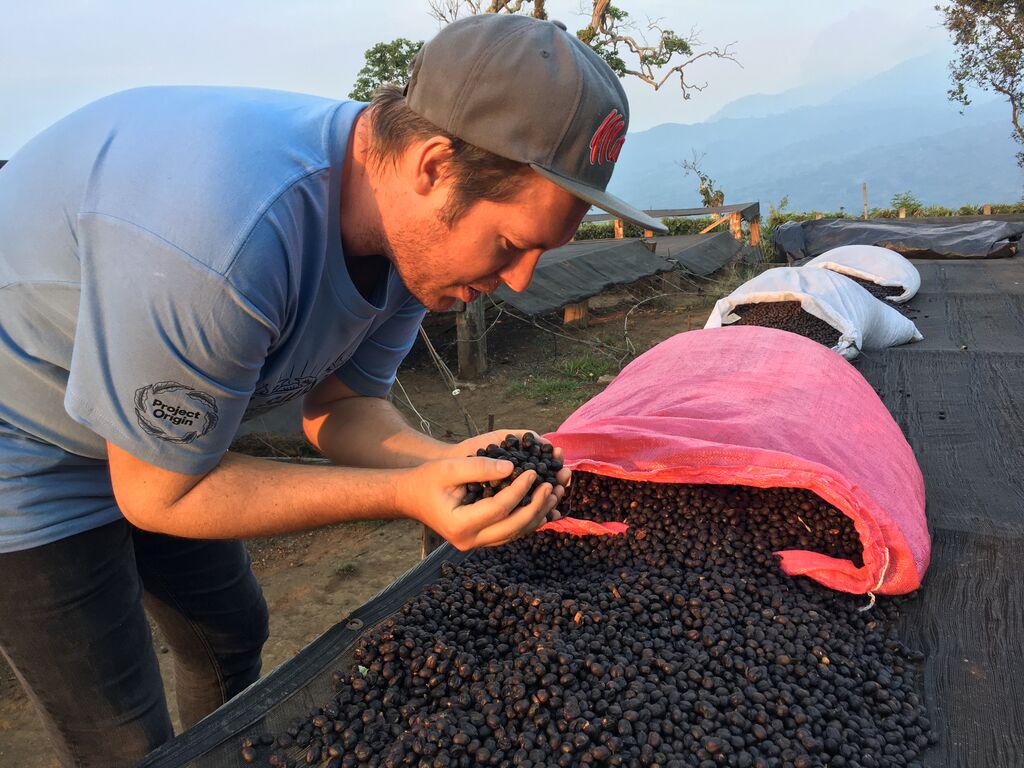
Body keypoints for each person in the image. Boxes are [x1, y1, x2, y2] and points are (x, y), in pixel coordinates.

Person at [0, 13, 665, 768]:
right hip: (27, 443)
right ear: (433, 165)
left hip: (159, 426)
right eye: (511, 245)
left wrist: (441, 463)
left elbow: (340, 409)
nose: (517, 280)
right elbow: (159, 494)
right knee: (119, 735)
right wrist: (405, 496)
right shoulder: (224, 237)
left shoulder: (409, 237)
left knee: (229, 629)